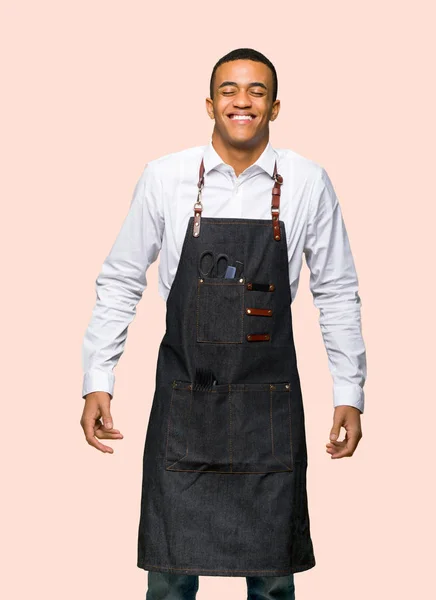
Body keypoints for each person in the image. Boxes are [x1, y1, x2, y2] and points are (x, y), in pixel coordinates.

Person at [80, 48, 367, 600]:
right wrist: (99, 377)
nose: (243, 101)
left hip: (268, 409)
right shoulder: (164, 177)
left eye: (257, 91)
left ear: (275, 107)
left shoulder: (308, 182)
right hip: (186, 402)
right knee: (168, 581)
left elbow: (337, 291)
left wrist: (350, 391)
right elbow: (120, 279)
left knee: (272, 584)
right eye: (230, 90)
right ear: (210, 104)